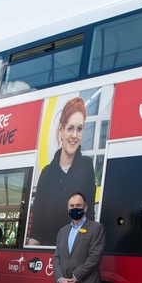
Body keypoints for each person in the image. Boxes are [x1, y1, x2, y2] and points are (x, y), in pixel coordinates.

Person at [27, 97, 96, 246]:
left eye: (79, 129)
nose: (74, 135)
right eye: (70, 128)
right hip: (48, 247)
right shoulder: (47, 173)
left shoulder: (86, 165)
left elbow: (89, 211)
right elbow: (38, 211)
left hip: (77, 246)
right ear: (61, 129)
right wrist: (33, 240)